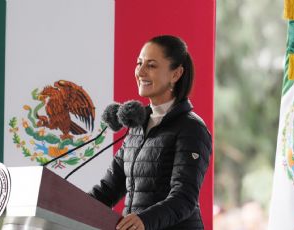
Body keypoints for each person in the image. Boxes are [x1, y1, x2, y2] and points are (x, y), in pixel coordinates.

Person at [89, 35, 212, 230]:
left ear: (176, 74)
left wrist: (145, 220)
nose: (141, 72)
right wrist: (63, 206)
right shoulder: (136, 126)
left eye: (151, 65)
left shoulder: (192, 129)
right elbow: (108, 190)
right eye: (139, 63)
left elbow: (184, 198)